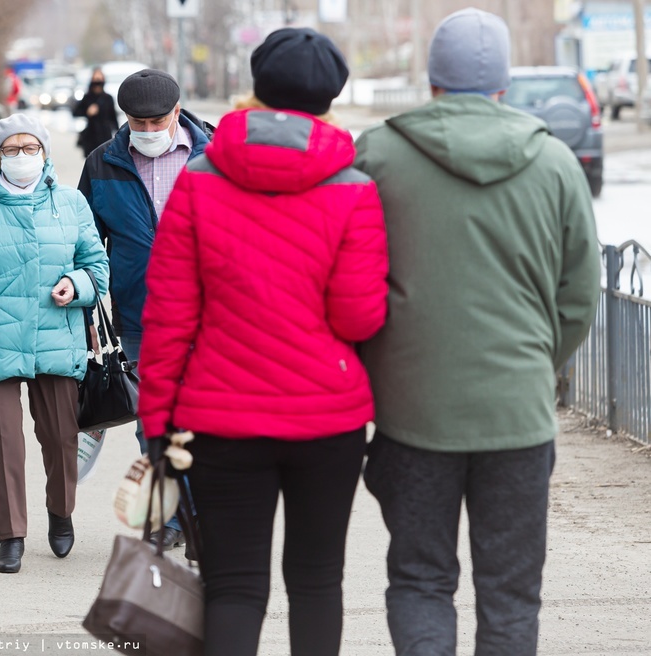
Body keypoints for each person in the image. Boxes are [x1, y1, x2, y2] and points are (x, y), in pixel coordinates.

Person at [353, 8, 602, 655]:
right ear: (505, 87)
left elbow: (351, 283)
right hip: (517, 415)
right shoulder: (554, 163)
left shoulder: (379, 155)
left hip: (411, 414)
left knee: (419, 581)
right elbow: (580, 294)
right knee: (512, 593)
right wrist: (538, 364)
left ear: (432, 80)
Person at [137, 28, 389, 656]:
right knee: (315, 581)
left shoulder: (197, 179)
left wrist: (156, 424)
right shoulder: (354, 186)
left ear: (257, 86)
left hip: (220, 421)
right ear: (330, 97)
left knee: (233, 587)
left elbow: (169, 315)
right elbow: (360, 318)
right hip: (326, 421)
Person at [0, 113, 110, 574]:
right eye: (11, 150)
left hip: (57, 337)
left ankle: (61, 510)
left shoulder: (69, 203)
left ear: (45, 153)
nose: (22, 157)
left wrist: (77, 284)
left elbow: (97, 268)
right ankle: (11, 535)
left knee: (60, 438)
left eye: (31, 148)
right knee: (1, 440)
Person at [77, 68, 210, 552]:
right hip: (138, 316)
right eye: (139, 122)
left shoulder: (214, 157)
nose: (149, 132)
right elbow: (85, 243)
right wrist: (88, 313)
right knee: (153, 423)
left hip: (210, 315)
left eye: (158, 122)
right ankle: (174, 517)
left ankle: (200, 517)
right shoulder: (102, 164)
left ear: (178, 112)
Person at [72, 67, 119, 158]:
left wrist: (119, 135)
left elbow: (113, 118)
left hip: (105, 135)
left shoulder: (108, 98)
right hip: (91, 135)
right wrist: (87, 112)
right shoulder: (87, 97)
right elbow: (75, 112)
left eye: (100, 79)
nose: (97, 82)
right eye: (95, 79)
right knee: (92, 163)